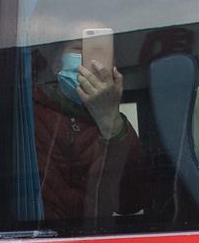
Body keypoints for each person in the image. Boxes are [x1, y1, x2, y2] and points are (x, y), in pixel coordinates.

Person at [33, 38, 149, 220]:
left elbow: (131, 203)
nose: (88, 59)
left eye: (98, 52)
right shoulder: (31, 114)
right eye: (79, 49)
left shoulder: (118, 125)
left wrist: (109, 120)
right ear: (56, 64)